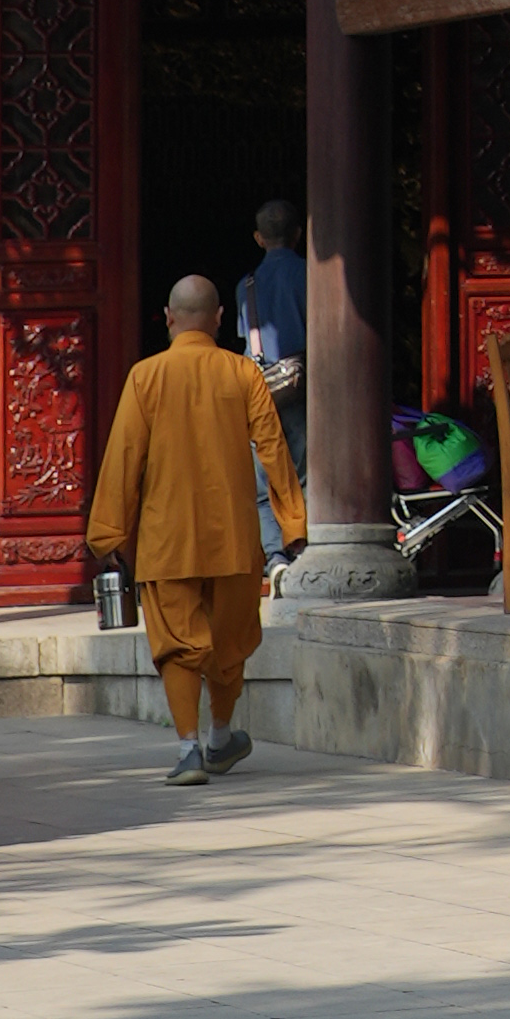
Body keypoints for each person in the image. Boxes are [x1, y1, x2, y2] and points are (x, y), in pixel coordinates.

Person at [85, 274, 306, 785]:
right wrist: (292, 522)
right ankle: (221, 737)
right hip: (232, 538)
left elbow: (124, 458)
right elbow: (273, 448)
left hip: (167, 540)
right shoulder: (243, 374)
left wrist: (109, 533)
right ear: (220, 319)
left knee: (179, 646)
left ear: (167, 317)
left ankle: (188, 749)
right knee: (228, 645)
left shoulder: (145, 376)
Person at [233, 198, 306, 555]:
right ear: (299, 233)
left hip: (260, 389)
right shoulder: (311, 275)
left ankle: (274, 557)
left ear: (259, 238)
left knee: (264, 485)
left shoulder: (245, 286)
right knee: (303, 477)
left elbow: (247, 338)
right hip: (302, 388)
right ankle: (303, 551)